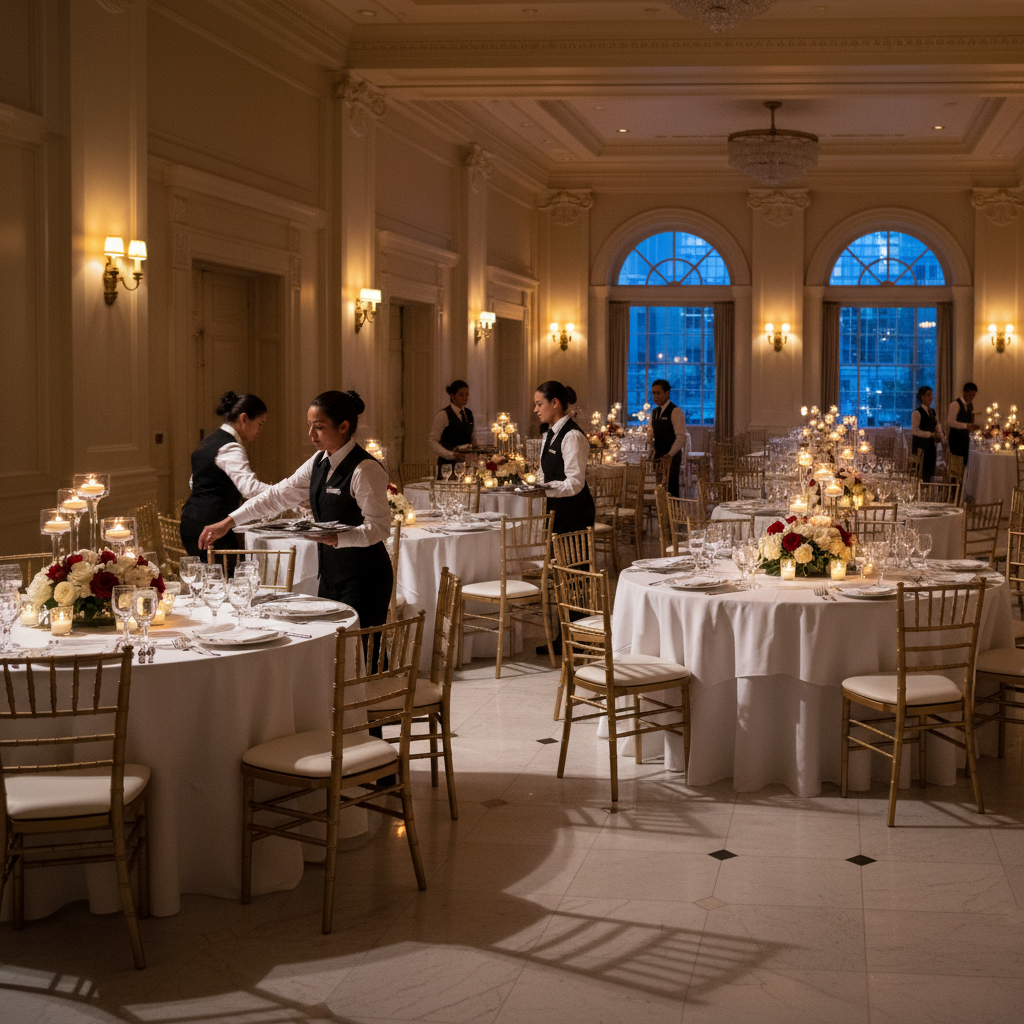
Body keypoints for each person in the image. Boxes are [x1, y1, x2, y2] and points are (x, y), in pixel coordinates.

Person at [198, 390, 393, 632]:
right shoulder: (318, 461)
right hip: (331, 575)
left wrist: (338, 538)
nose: (311, 434)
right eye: (310, 425)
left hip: (365, 578)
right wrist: (229, 521)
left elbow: (380, 527)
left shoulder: (364, 469)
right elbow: (277, 496)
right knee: (334, 651)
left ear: (343, 426)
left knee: (362, 653)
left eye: (319, 427)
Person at [180, 391, 271, 559]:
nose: (260, 430)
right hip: (212, 527)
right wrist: (288, 495)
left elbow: (195, 482)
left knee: (207, 580)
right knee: (225, 580)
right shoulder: (230, 447)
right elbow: (250, 489)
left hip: (191, 521)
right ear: (244, 418)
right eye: (260, 423)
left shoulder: (209, 440)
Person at [534, 380, 596, 535]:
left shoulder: (572, 436)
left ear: (555, 403)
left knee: (571, 560)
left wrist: (544, 490)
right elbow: (543, 471)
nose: (535, 410)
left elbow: (575, 483)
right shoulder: (549, 434)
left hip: (574, 515)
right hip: (555, 512)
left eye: (539, 404)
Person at [428, 379, 474, 478]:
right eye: (461, 395)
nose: (465, 397)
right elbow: (432, 441)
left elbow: (472, 438)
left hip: (465, 466)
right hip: (447, 467)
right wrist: (450, 454)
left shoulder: (468, 414)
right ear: (452, 396)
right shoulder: (443, 414)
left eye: (467, 394)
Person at [649, 379, 686, 497]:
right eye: (653, 393)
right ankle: (661, 513)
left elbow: (681, 437)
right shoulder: (654, 412)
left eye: (658, 393)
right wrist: (650, 453)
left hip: (671, 458)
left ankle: (674, 514)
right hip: (658, 456)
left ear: (667, 393)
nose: (655, 396)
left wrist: (670, 454)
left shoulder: (675, 411)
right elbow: (651, 434)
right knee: (660, 489)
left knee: (671, 488)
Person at [911, 385, 942, 482]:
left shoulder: (932, 411)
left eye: (932, 395)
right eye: (928, 395)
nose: (931, 398)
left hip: (931, 446)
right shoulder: (917, 412)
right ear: (922, 397)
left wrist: (939, 434)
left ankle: (927, 491)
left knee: (930, 471)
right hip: (920, 446)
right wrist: (930, 434)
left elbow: (935, 425)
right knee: (920, 471)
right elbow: (915, 431)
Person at [947, 382, 979, 466]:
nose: (971, 398)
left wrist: (972, 426)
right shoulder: (955, 404)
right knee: (957, 465)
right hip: (956, 439)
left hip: (965, 439)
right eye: (970, 395)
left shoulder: (970, 405)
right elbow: (950, 422)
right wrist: (966, 426)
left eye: (973, 396)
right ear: (965, 392)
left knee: (965, 463)